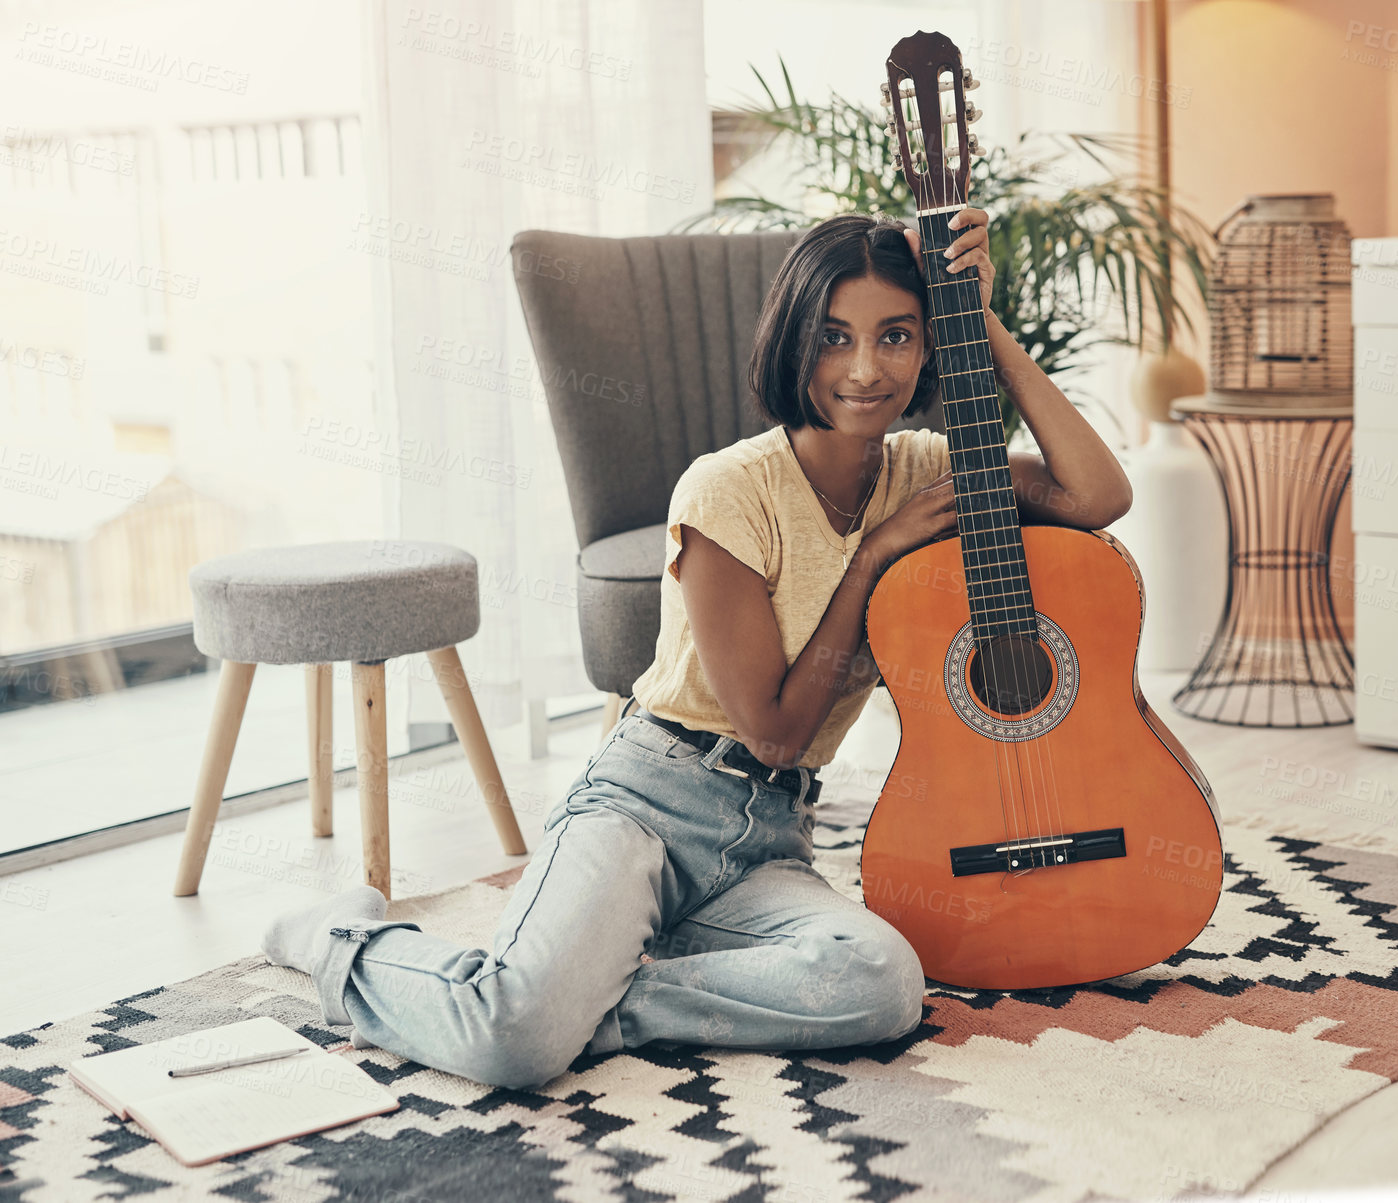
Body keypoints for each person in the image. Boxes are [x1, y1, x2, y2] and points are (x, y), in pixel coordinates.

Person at [258, 206, 1132, 1091]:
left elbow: (1096, 492)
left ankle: (606, 1001)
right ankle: (343, 939)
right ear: (794, 339)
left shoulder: (924, 471)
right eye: (834, 336)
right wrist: (873, 557)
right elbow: (777, 733)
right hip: (646, 801)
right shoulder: (727, 492)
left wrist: (972, 312)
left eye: (896, 336)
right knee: (509, 1042)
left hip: (769, 837)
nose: (866, 369)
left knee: (881, 983)